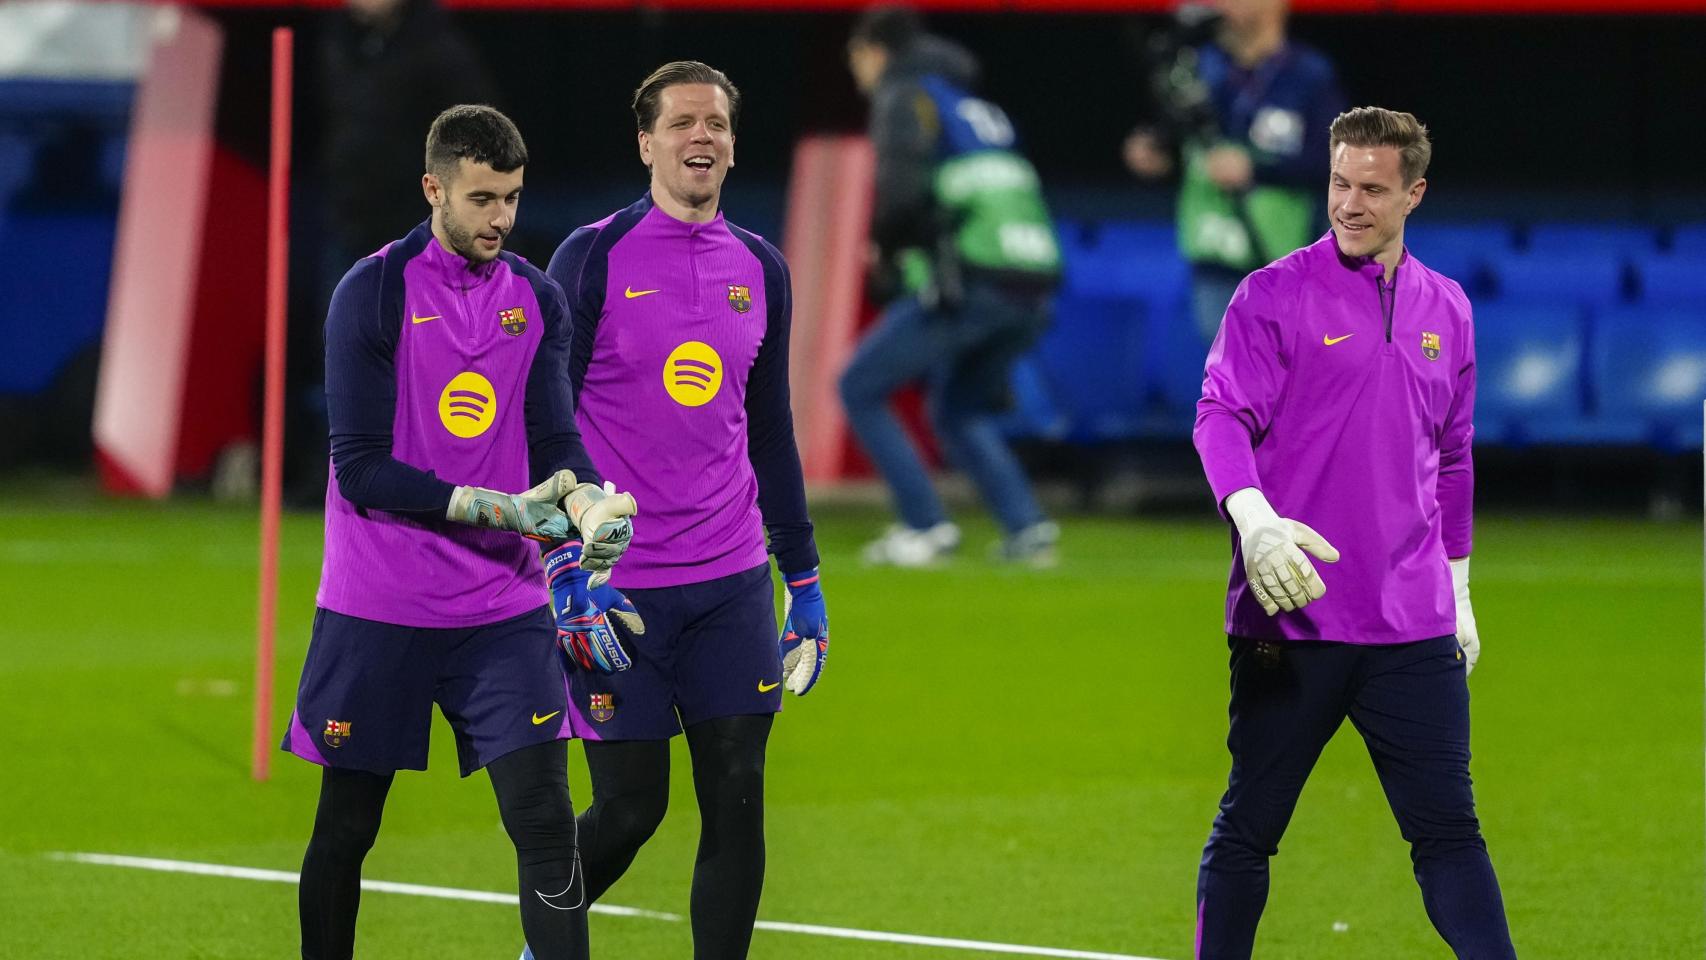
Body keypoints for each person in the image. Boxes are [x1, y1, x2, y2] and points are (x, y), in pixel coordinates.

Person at [281, 104, 637, 960]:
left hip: (500, 611)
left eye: (512, 198)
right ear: (434, 187)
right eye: (482, 199)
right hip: (380, 605)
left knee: (546, 824)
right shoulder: (370, 293)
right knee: (347, 830)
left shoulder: (536, 296)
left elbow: (554, 441)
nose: (502, 219)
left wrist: (587, 505)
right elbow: (360, 466)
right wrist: (498, 508)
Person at [1191, 106, 1516, 959]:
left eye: (1373, 188)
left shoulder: (1449, 306)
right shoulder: (1271, 294)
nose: (1350, 203)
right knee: (1249, 829)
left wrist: (1461, 588)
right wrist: (1254, 520)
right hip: (1292, 613)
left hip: (1412, 624)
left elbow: (1452, 459)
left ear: (1414, 192)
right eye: (1340, 183)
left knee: (1450, 832)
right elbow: (1220, 415)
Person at [524, 61, 829, 960]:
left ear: (734, 146)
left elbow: (770, 433)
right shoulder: (592, 256)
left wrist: (802, 578)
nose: (703, 137)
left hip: (731, 583)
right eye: (684, 122)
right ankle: (543, 944)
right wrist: (562, 568)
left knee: (737, 789)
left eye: (718, 125)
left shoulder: (761, 268)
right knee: (630, 806)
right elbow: (544, 426)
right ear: (647, 142)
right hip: (617, 588)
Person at [840, 5, 1063, 568]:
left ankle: (925, 525)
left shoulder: (903, 96)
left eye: (858, 61)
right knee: (958, 409)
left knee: (859, 385)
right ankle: (1027, 526)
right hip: (1032, 282)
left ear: (873, 52)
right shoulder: (976, 105)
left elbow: (900, 190)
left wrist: (885, 248)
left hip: (974, 279)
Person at [1124, 0, 1344, 345]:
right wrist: (1152, 152)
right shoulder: (1199, 70)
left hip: (1282, 256)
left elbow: (1333, 163)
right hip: (1216, 251)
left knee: (1287, 376)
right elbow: (1172, 138)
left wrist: (1256, 170)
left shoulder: (1307, 75)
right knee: (1235, 369)